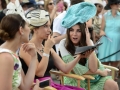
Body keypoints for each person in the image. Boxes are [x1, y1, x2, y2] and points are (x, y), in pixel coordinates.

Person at [19, 8, 93, 90]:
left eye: (49, 26)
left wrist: (79, 56)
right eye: (45, 26)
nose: (50, 30)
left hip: (51, 85)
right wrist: (47, 50)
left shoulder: (46, 46)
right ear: (35, 29)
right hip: (38, 87)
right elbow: (40, 73)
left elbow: (65, 69)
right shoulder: (26, 48)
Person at [58, 2, 119, 90]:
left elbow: (93, 68)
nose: (74, 34)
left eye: (78, 31)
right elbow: (77, 70)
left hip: (92, 78)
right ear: (68, 31)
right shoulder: (63, 44)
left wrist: (89, 42)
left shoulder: (87, 41)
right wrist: (100, 72)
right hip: (75, 79)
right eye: (71, 30)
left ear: (83, 32)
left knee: (113, 85)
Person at [0, 13, 41, 90]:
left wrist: (34, 57)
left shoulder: (12, 54)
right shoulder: (6, 57)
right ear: (21, 30)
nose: (29, 29)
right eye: (28, 26)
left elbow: (25, 86)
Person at [98, 0, 120, 68]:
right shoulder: (105, 16)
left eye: (118, 3)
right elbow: (101, 30)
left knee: (115, 62)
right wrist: (102, 32)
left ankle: (114, 77)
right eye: (115, 3)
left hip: (117, 41)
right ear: (111, 5)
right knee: (104, 63)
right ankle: (105, 78)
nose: (118, 4)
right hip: (106, 40)